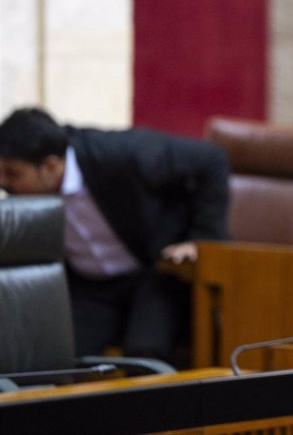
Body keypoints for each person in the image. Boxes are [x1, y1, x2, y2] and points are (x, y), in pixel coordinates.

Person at [0, 107, 230, 364]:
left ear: (51, 166)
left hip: (152, 272)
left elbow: (211, 158)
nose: (4, 183)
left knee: (144, 357)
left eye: (12, 174)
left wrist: (202, 239)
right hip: (89, 286)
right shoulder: (26, 193)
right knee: (53, 358)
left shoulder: (122, 153)